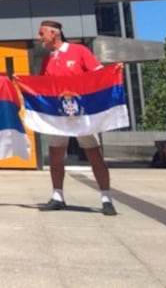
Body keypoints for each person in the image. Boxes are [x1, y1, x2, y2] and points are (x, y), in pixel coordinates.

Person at [36, 20, 117, 216]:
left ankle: (106, 198)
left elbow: (99, 74)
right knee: (55, 154)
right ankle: (57, 196)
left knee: (94, 154)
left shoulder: (78, 51)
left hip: (82, 114)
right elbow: (41, 85)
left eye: (42, 34)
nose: (39, 38)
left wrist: (115, 70)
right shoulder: (47, 59)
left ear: (54, 34)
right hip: (58, 115)